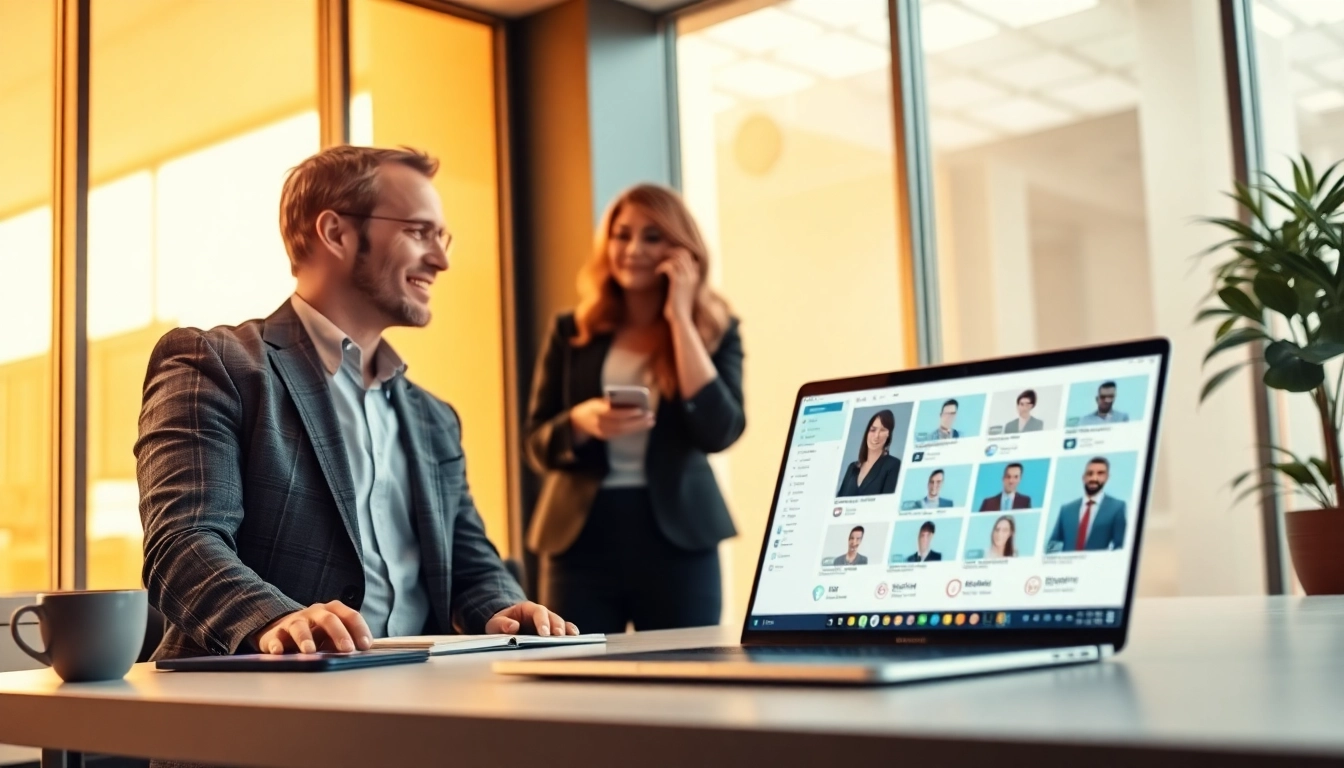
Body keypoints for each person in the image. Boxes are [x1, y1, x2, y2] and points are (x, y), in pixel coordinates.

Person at [136, 146, 575, 666]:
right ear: (336, 233)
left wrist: (507, 608)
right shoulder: (217, 364)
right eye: (419, 231)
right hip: (260, 710)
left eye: (442, 236)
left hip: (422, 712)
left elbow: (470, 565)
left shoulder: (433, 418)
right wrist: (276, 619)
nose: (441, 259)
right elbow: (182, 543)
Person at [524, 183, 743, 635]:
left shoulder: (716, 329)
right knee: (577, 683)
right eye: (622, 235)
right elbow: (536, 444)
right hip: (580, 541)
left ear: (681, 249)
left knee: (685, 687)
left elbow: (720, 431)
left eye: (652, 236)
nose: (633, 249)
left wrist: (680, 318)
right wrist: (579, 423)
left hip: (679, 538)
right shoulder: (573, 330)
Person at [1048, 457, 1127, 552]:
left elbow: (1120, 545)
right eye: (1089, 473)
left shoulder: (1117, 507)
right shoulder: (1066, 510)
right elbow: (1053, 543)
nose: (1094, 478)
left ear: (1107, 477)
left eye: (1100, 473)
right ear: (1083, 477)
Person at [836, 409, 902, 497]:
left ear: (888, 434)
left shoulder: (893, 465)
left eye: (882, 430)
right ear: (867, 432)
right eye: (873, 430)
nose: (876, 436)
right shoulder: (852, 468)